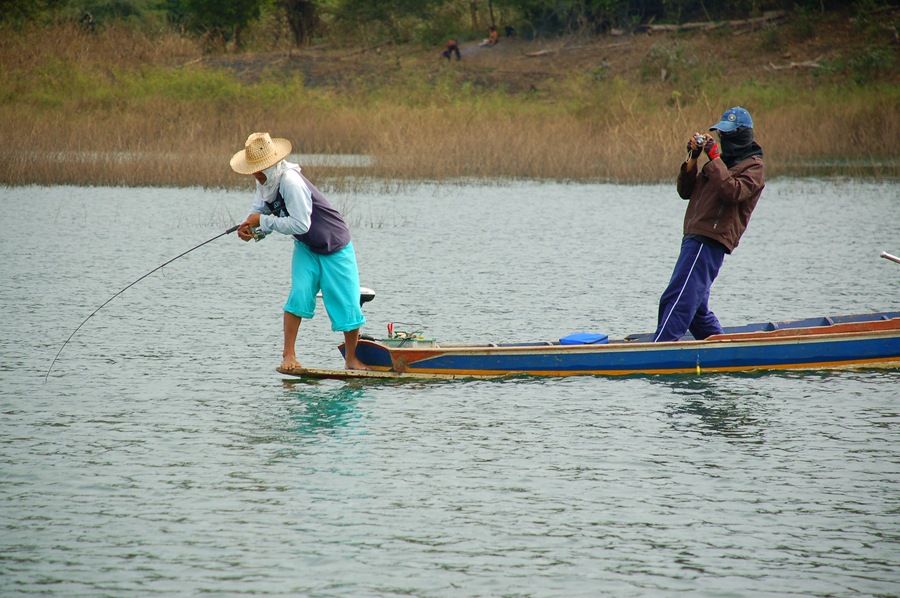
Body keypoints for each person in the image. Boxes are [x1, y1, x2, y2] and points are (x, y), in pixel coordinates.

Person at [230, 132, 369, 370]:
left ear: (271, 164)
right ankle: (288, 357)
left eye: (257, 168)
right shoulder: (265, 182)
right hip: (306, 246)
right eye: (252, 169)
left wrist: (262, 223)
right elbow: (259, 210)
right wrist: (250, 230)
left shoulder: (290, 182)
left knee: (347, 304)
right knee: (299, 295)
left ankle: (351, 360)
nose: (254, 173)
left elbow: (300, 224)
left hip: (335, 244)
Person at [653, 106, 765, 343]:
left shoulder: (753, 167)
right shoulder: (720, 163)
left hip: (710, 239)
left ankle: (661, 347)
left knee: (677, 298)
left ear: (742, 134)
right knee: (696, 312)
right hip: (694, 236)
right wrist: (693, 157)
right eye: (721, 133)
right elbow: (685, 191)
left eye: (729, 133)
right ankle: (722, 350)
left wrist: (714, 158)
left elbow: (733, 192)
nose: (723, 137)